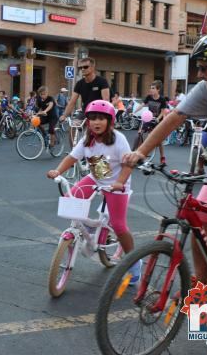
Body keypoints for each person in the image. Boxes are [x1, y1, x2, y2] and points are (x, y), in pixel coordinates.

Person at [123, 30, 207, 286]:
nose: (199, 74)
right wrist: (141, 152)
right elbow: (174, 118)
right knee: (199, 217)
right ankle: (204, 285)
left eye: (203, 68)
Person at [47, 100, 139, 280]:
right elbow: (72, 158)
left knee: (119, 226)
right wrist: (57, 171)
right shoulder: (87, 139)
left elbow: (129, 164)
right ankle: (88, 229)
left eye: (101, 119)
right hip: (97, 177)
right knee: (70, 196)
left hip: (117, 184)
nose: (96, 122)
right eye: (92, 118)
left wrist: (119, 182)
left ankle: (135, 264)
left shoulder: (118, 139)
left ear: (110, 120)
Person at [60, 57, 110, 122]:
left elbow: (106, 100)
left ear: (92, 67)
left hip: (99, 112)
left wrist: (105, 115)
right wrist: (64, 115)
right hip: (85, 111)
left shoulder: (102, 81)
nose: (82, 69)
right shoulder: (79, 83)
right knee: (73, 127)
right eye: (81, 68)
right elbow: (72, 102)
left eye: (85, 67)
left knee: (96, 128)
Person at [136, 80, 168, 165]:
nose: (151, 90)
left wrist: (158, 118)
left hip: (157, 120)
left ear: (158, 90)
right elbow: (142, 105)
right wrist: (134, 112)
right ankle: (138, 153)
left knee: (159, 141)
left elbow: (163, 112)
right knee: (140, 133)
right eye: (151, 88)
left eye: (153, 88)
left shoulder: (162, 99)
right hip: (149, 118)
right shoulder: (149, 97)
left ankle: (162, 158)